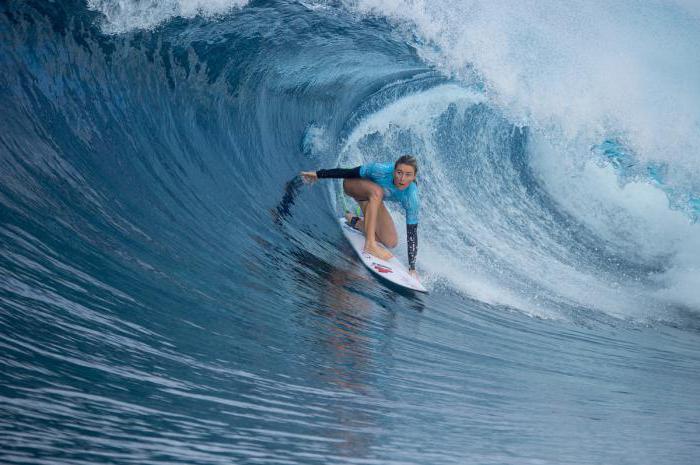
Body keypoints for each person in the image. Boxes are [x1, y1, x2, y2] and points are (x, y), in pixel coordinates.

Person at [300, 155, 420, 280]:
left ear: (414, 176)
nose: (402, 178)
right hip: (353, 186)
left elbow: (412, 232)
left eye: (408, 174)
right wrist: (318, 174)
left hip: (373, 200)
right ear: (393, 170)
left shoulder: (412, 197)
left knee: (390, 241)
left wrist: (412, 268)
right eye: (399, 172)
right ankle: (370, 245)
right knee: (377, 192)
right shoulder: (380, 170)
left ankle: (355, 222)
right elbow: (348, 172)